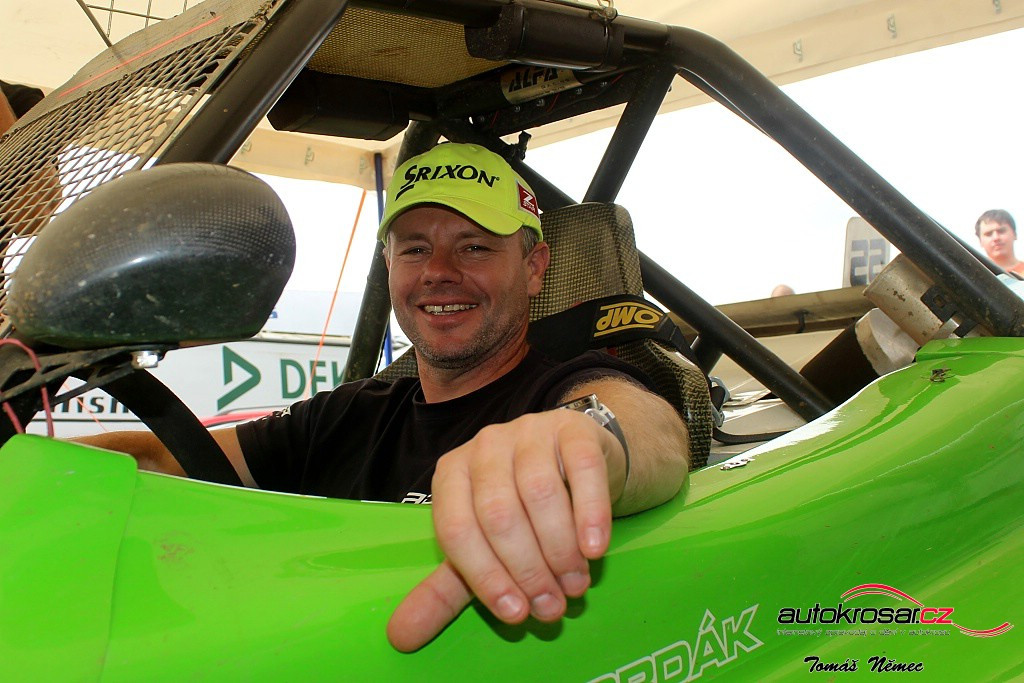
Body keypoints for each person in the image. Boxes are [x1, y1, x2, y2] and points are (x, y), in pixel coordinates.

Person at [74, 142, 691, 652]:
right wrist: (44, 465)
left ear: (533, 267)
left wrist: (581, 440)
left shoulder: (565, 390)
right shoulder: (348, 414)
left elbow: (651, 433)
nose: (438, 270)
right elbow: (163, 458)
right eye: (415, 248)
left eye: (475, 246)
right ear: (391, 266)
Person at [974, 209, 1024, 275]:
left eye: (1001, 231)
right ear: (980, 241)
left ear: (1015, 234)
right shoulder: (975, 275)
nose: (996, 238)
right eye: (989, 234)